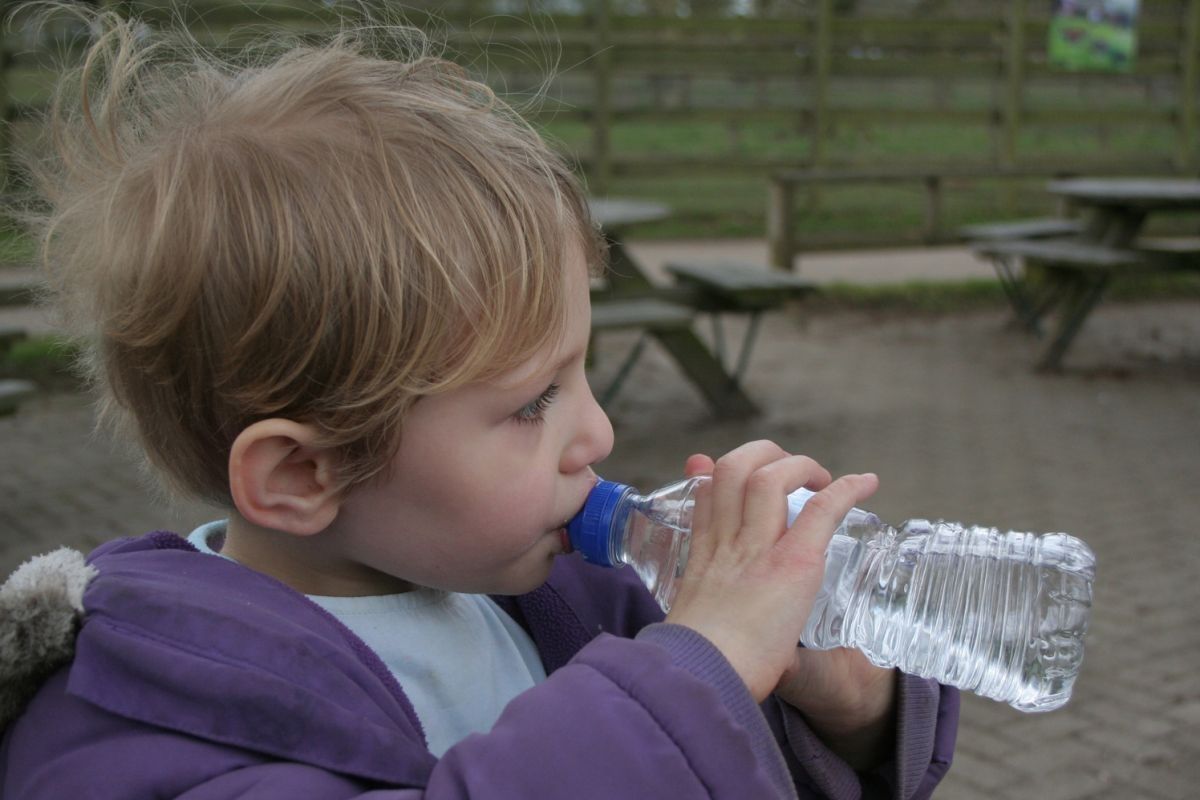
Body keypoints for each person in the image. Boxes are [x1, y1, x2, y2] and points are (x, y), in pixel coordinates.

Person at [0, 6, 957, 798]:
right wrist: (695, 668)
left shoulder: (564, 603)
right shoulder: (144, 716)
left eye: (581, 370)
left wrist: (841, 704)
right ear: (303, 473)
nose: (600, 433)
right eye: (533, 402)